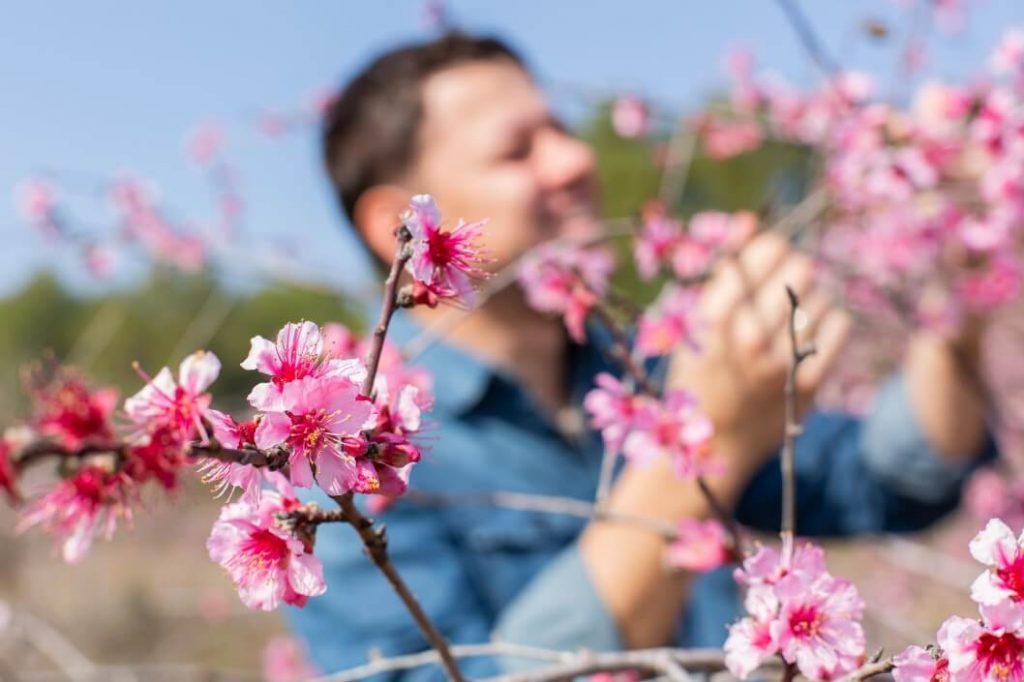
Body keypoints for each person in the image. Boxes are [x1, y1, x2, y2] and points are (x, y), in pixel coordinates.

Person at [288, 32, 994, 677]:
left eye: (560, 129)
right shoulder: (340, 464)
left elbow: (894, 479)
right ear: (404, 226)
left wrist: (955, 302)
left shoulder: (642, 375)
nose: (575, 159)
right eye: (518, 149)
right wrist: (707, 435)